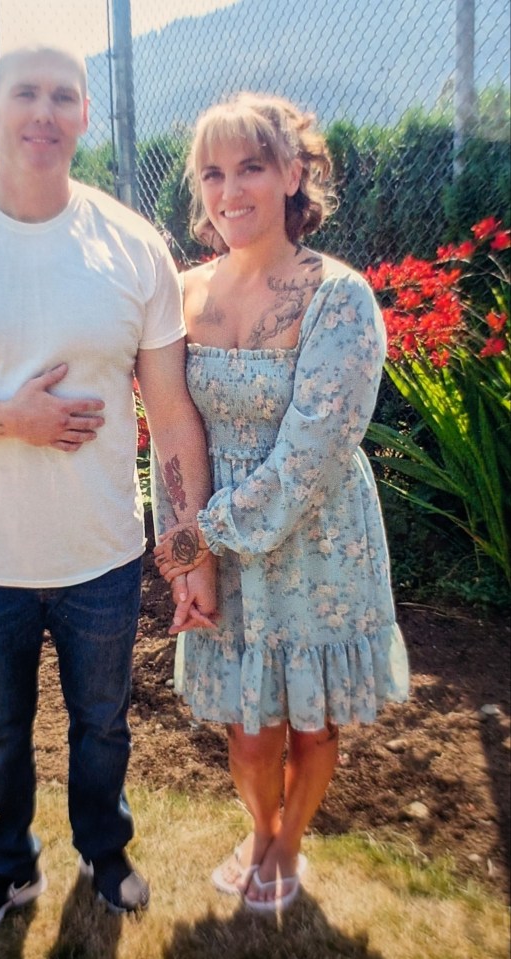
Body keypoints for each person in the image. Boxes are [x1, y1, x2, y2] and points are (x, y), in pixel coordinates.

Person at [0, 43, 217, 929]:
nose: (44, 112)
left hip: (100, 555)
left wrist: (184, 554)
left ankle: (105, 852)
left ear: (85, 117)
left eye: (65, 97)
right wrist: (6, 420)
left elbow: (172, 416)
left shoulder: (134, 246)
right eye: (27, 93)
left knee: (103, 724)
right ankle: (8, 867)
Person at [152, 92, 410, 913]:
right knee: (245, 722)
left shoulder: (341, 297)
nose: (230, 190)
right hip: (219, 546)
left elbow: (310, 455)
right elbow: (168, 432)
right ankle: (259, 827)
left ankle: (285, 845)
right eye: (213, 173)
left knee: (308, 722)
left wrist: (201, 539)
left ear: (294, 174)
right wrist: (184, 556)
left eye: (251, 167)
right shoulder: (179, 296)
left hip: (317, 542)